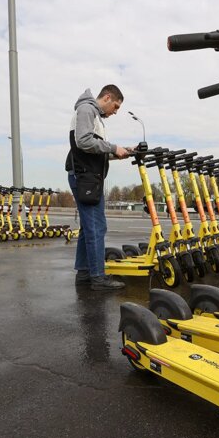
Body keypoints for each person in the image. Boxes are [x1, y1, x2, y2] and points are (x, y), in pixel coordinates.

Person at [65, 85, 131, 291]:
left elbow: (95, 149)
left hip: (89, 176)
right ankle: (98, 278)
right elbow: (84, 141)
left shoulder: (93, 114)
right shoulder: (87, 110)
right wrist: (113, 148)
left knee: (88, 227)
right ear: (108, 97)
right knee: (97, 227)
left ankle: (85, 273)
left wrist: (123, 152)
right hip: (85, 177)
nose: (116, 111)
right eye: (116, 106)